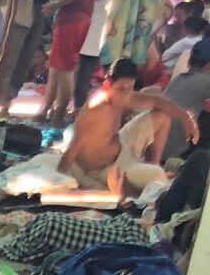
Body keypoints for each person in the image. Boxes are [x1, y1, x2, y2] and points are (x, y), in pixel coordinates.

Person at [57, 55, 197, 191]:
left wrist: (186, 119)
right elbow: (73, 147)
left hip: (122, 148)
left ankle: (152, 165)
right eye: (121, 89)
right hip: (102, 170)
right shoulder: (96, 109)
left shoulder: (124, 96)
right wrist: (58, 180)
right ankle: (151, 177)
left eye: (130, 88)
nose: (125, 93)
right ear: (107, 85)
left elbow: (157, 101)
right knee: (156, 174)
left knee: (162, 115)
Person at [42, 0, 103, 127]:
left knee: (64, 68)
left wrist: (55, 4)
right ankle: (49, 109)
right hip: (81, 16)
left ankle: (58, 114)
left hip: (71, 17)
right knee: (58, 66)